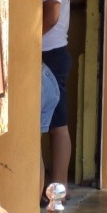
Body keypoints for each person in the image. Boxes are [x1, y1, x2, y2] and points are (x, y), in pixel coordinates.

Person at [41, 0, 71, 198]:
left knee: (54, 124)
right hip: (56, 53)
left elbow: (51, 13)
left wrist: (29, 38)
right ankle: (58, 186)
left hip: (49, 54)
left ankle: (58, 186)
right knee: (57, 123)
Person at [40, 63, 60, 200]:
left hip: (39, 77)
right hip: (44, 75)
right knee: (34, 149)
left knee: (31, 149)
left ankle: (32, 212)